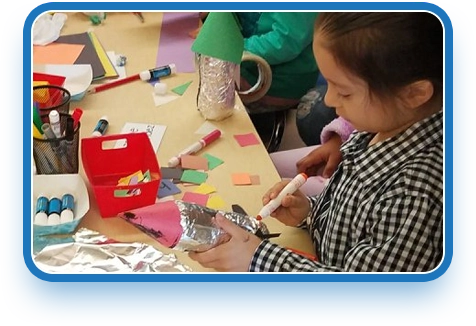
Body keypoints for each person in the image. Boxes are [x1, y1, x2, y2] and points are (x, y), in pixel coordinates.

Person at [189, 12, 443, 272]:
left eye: (343, 91)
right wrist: (310, 212)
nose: (330, 100)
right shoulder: (378, 128)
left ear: (414, 94)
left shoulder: (415, 196)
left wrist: (258, 259)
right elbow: (353, 222)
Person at [270, 116, 354, 196]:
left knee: (273, 190)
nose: (328, 101)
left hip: (351, 186)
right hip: (348, 144)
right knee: (266, 165)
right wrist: (338, 140)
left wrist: (308, 203)